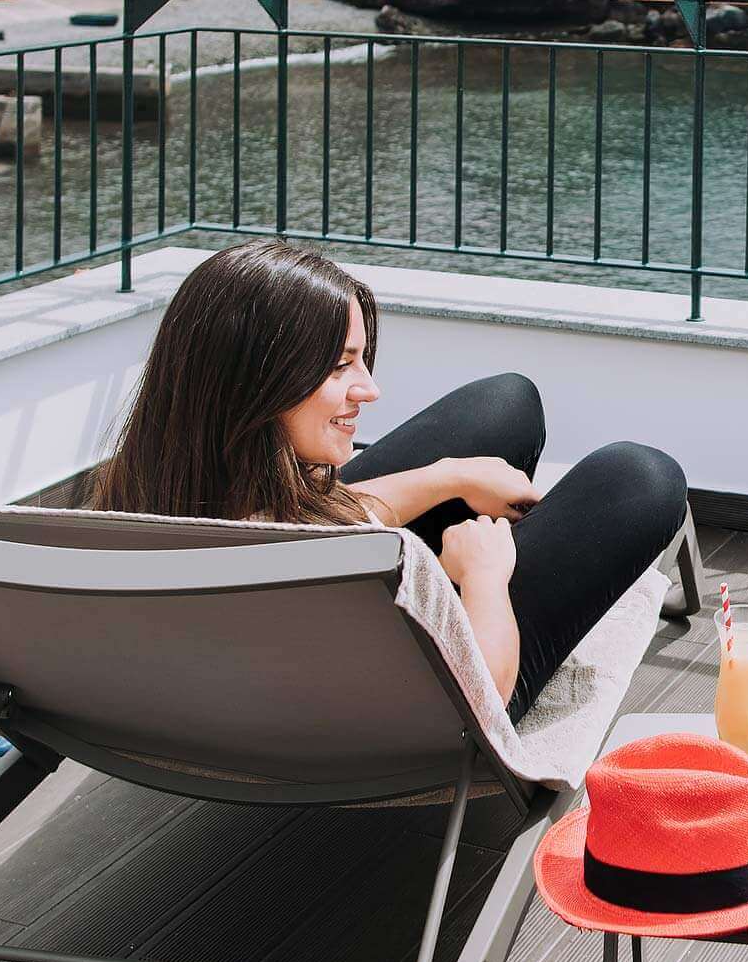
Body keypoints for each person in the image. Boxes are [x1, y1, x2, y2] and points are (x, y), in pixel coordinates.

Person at [89, 240, 688, 720]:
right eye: (340, 366)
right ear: (258, 384)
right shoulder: (311, 565)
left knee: (504, 403)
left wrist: (449, 475)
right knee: (640, 477)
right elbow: (482, 697)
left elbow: (307, 525)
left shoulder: (143, 507)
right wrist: (482, 576)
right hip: (415, 716)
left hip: (250, 675)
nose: (368, 389)